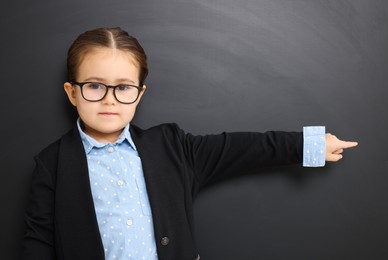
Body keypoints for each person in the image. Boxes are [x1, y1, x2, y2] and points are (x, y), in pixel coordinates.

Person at [22, 27, 358, 260]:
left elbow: (242, 149)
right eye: (95, 85)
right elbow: (38, 242)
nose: (110, 99)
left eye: (123, 87)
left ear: (140, 94)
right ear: (72, 92)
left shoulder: (170, 147)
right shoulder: (52, 164)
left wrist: (307, 145)